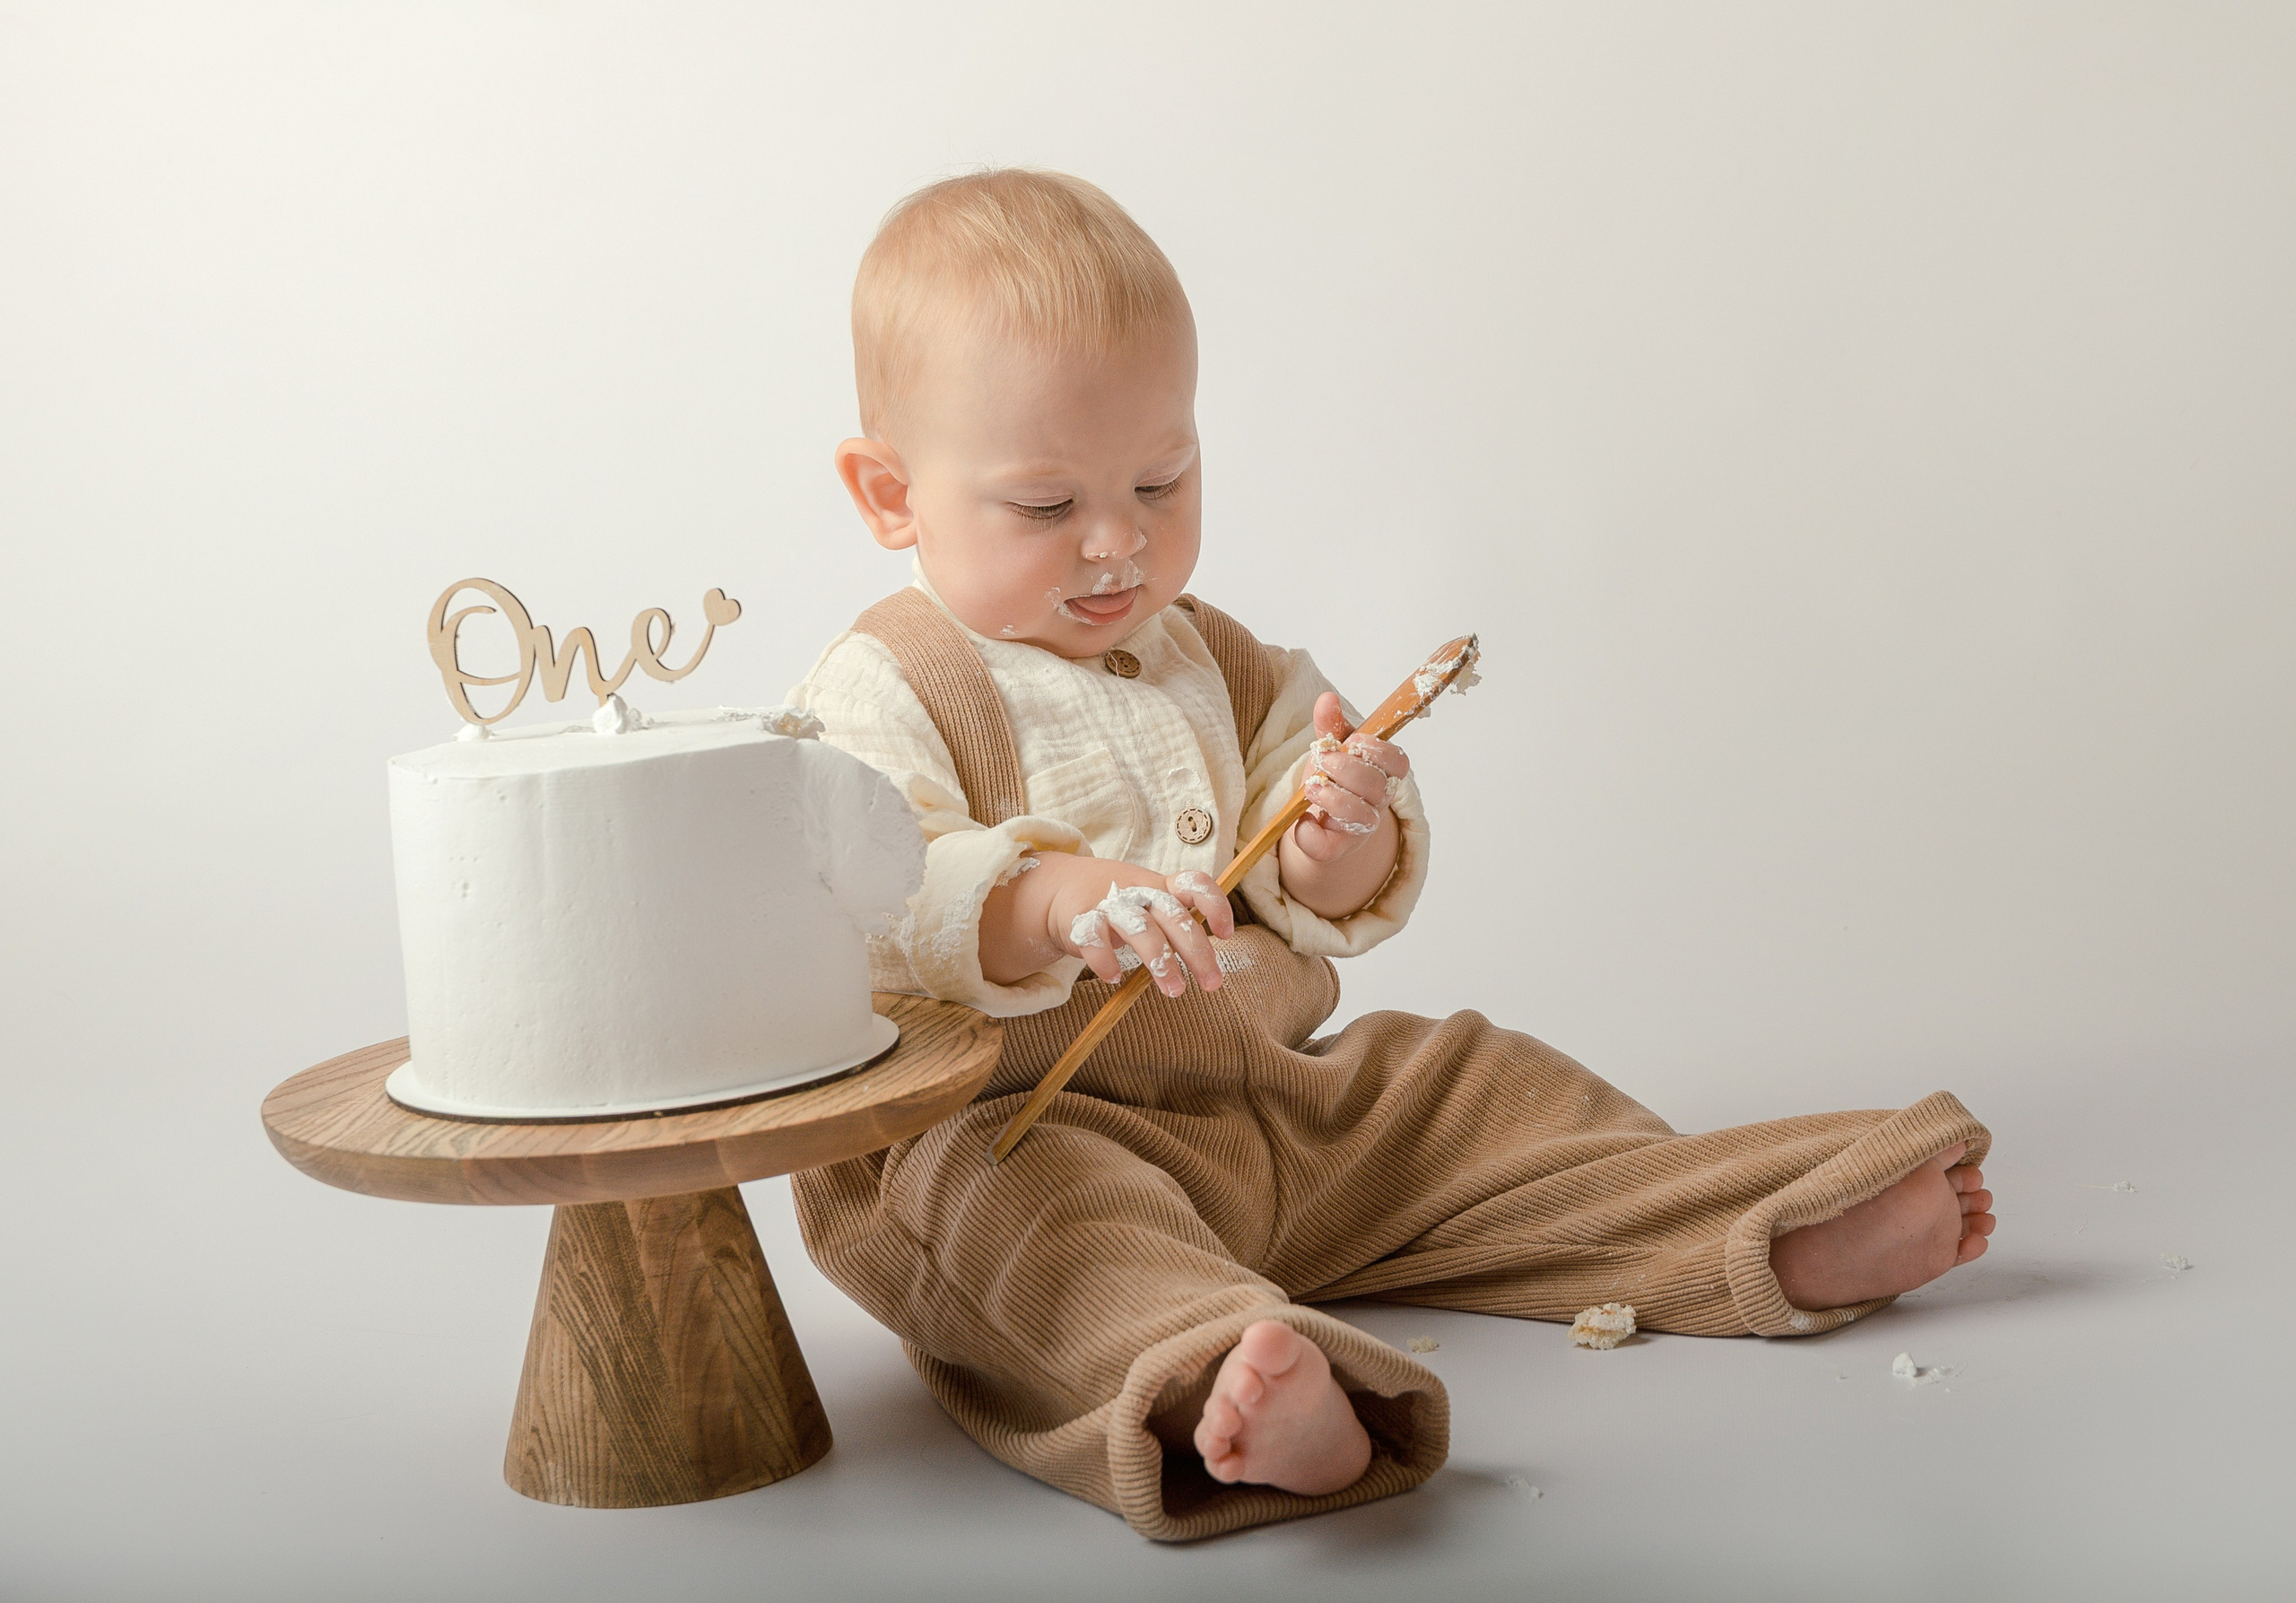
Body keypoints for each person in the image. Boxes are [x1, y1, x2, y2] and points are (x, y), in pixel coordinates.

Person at [786, 169, 1996, 1541]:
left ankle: (1741, 1228)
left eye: (1161, 478)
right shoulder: (884, 684)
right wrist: (1050, 903)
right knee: (1040, 1238)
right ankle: (1220, 1376)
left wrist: (1332, 837)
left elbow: (1309, 901)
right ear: (890, 494)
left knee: (1471, 1083)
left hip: (1272, 1106)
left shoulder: (1214, 656)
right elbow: (882, 897)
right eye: (1046, 504)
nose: (1118, 538)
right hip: (1025, 1124)